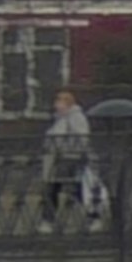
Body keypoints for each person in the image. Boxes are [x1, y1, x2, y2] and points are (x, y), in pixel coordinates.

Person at [38, 87, 93, 223]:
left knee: (75, 189)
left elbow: (80, 139)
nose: (56, 105)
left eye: (59, 102)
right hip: (56, 160)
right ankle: (48, 219)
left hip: (69, 159)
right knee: (52, 189)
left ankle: (92, 216)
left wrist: (64, 149)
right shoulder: (60, 118)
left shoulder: (76, 118)